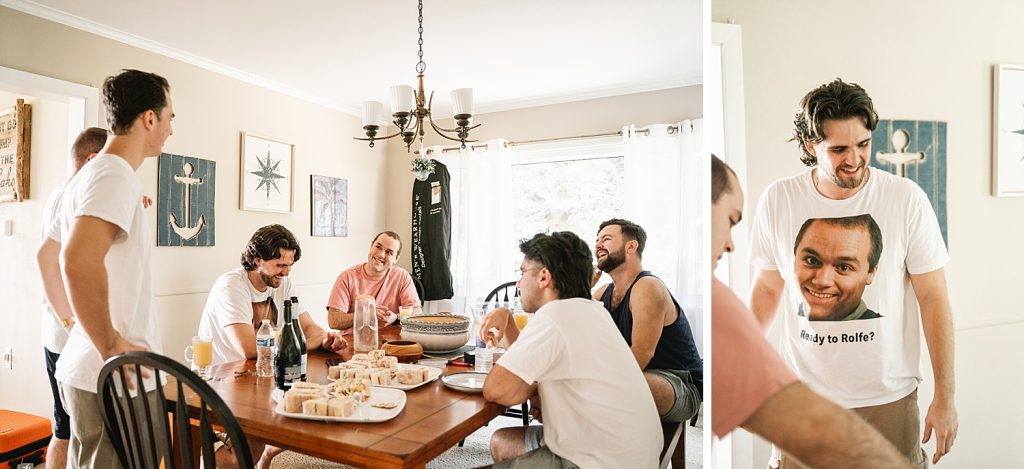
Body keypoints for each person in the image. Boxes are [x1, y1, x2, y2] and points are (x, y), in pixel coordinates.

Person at [747, 79, 956, 468]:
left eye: (863, 144)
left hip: (887, 401)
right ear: (811, 146)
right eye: (839, 149)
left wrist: (945, 396)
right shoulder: (779, 199)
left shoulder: (905, 198)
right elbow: (767, 288)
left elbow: (934, 298)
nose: (855, 159)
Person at [711, 154, 911, 468]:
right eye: (730, 220)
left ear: (871, 272)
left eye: (844, 266)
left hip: (887, 395)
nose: (731, 245)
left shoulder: (904, 195)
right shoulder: (719, 306)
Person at [38, 69, 172, 469]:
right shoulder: (115, 174)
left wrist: (72, 324)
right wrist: (111, 345)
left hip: (88, 367)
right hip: (115, 374)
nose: (169, 130)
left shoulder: (83, 180)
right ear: (149, 118)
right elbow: (75, 261)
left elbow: (48, 254)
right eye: (169, 119)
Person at [480, 232, 661, 468]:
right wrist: (508, 320)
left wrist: (535, 389)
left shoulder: (556, 317)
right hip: (630, 453)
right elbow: (526, 366)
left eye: (522, 272)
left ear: (544, 277)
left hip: (600, 461)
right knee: (502, 441)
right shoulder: (591, 311)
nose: (518, 282)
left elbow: (497, 390)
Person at [35, 127, 108, 469]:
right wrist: (71, 321)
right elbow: (52, 261)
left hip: (64, 334)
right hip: (68, 337)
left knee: (65, 430)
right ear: (93, 160)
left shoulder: (62, 194)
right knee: (71, 432)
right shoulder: (74, 197)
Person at [591, 218, 702, 423]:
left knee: (615, 388)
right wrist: (581, 288)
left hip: (678, 383)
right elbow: (577, 333)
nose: (597, 245)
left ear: (631, 246)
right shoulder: (602, 293)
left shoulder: (648, 287)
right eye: (597, 240)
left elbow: (641, 353)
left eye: (606, 239)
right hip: (636, 374)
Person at [198, 224, 347, 367]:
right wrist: (304, 345)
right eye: (280, 265)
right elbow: (249, 349)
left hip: (261, 370)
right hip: (220, 378)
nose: (286, 272)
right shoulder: (231, 286)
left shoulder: (284, 283)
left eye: (290, 265)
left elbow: (308, 326)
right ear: (257, 260)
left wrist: (324, 339)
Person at [793, 215, 883, 321]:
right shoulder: (782, 322)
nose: (822, 281)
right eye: (812, 261)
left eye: (844, 267)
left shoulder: (882, 331)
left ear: (871, 273)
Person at [326, 231, 421, 329]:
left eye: (389, 252)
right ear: (371, 245)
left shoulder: (402, 276)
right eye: (378, 247)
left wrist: (396, 318)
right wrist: (365, 315)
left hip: (393, 341)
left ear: (396, 259)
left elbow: (417, 314)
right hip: (354, 341)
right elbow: (333, 321)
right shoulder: (346, 277)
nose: (381, 254)